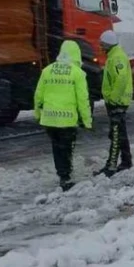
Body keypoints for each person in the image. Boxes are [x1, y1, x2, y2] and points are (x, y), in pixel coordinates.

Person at [34, 40, 93, 191]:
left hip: (49, 119)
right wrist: (87, 121)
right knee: (67, 148)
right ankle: (66, 177)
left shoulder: (47, 70)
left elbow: (38, 96)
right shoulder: (77, 73)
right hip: (67, 120)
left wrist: (38, 114)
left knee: (57, 147)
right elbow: (83, 99)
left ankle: (62, 174)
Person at [96, 30, 133, 176]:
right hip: (118, 101)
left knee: (116, 134)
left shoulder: (116, 58)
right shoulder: (114, 55)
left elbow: (121, 79)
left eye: (102, 45)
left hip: (117, 102)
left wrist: (113, 98)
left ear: (107, 45)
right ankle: (126, 161)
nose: (100, 47)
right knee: (120, 133)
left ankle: (111, 166)